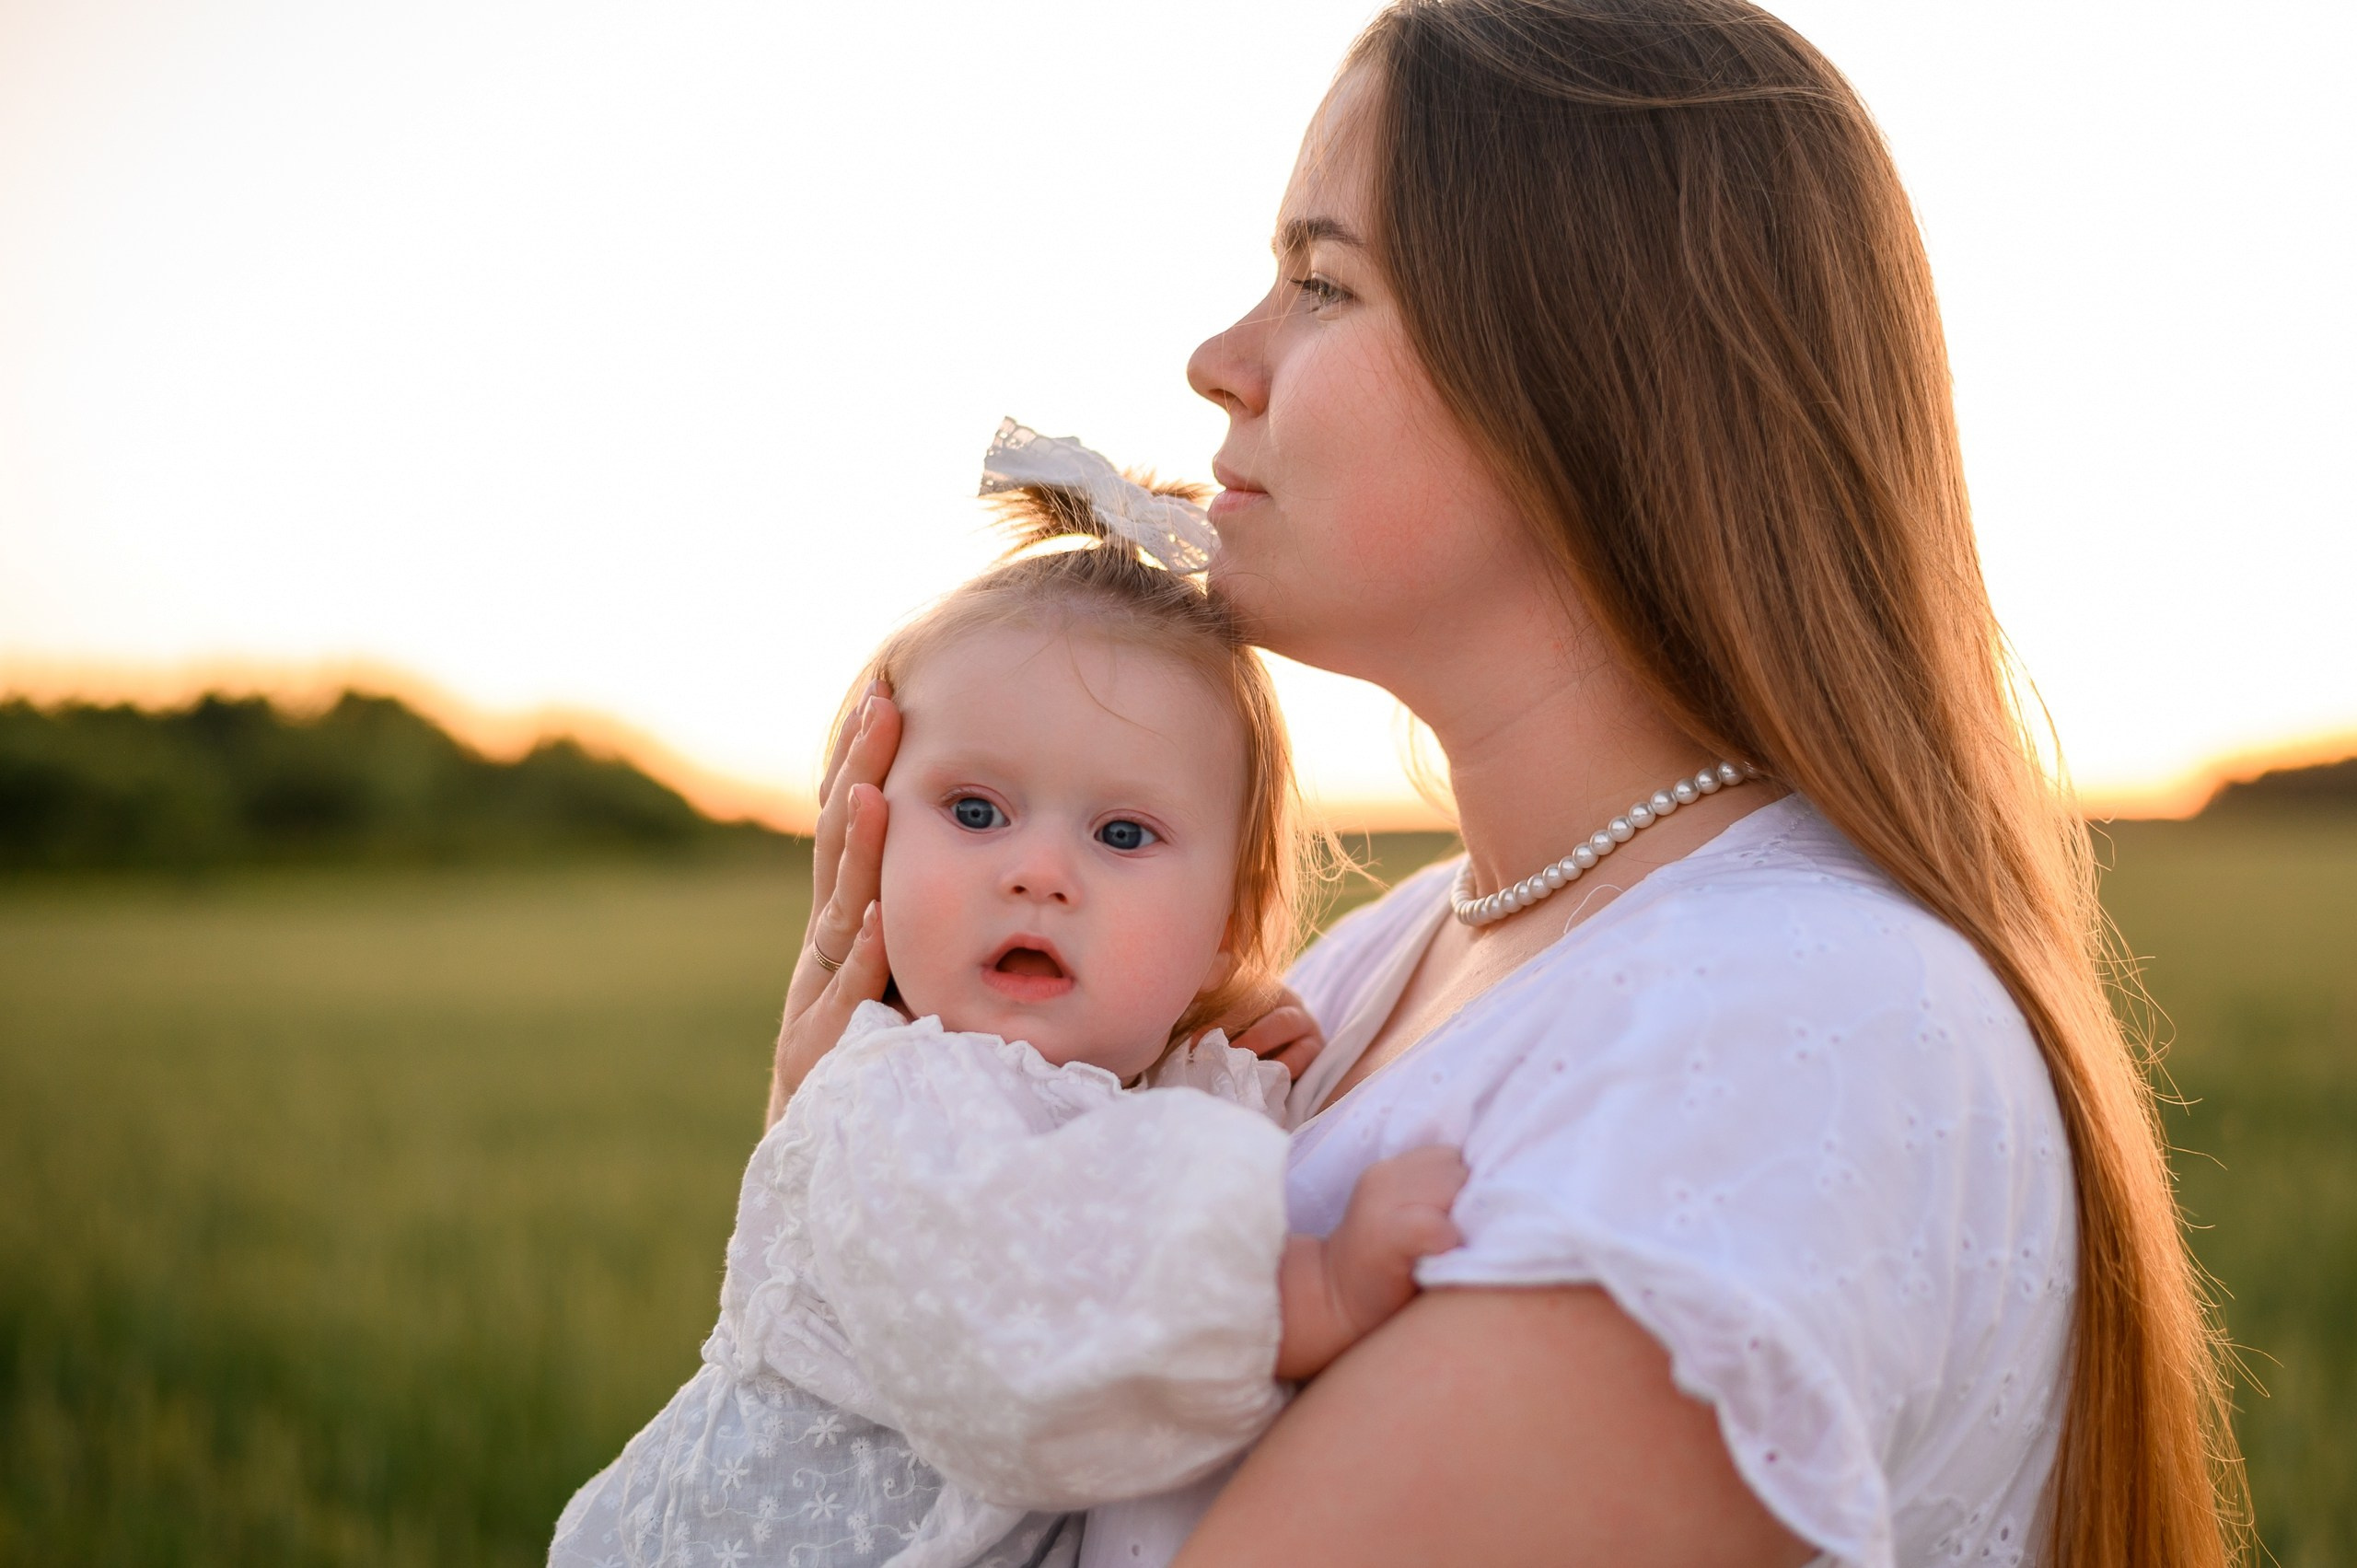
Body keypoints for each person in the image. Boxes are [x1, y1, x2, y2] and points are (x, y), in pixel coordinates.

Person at [772, 3, 2247, 1565]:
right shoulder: (1381, 961)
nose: (1219, 364)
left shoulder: (1792, 1033)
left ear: (1593, 372)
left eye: (1322, 283)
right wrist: (862, 1166)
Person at [550, 429, 1467, 1568]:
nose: (1037, 871)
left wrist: (1219, 1087)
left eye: (1121, 833)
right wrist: (1307, 1289)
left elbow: (1094, 1192)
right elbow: (1028, 1353)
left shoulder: (1096, 1088)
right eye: (975, 811)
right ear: (870, 841)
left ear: (1226, 923)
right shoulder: (897, 1098)